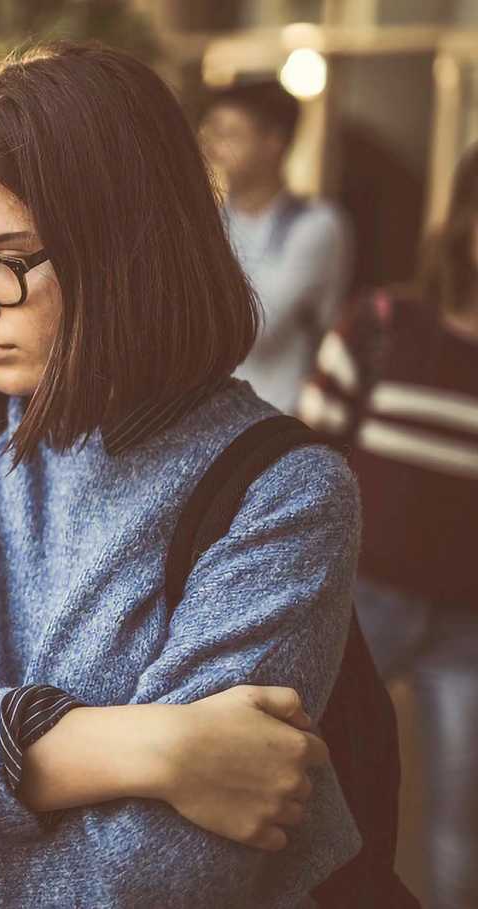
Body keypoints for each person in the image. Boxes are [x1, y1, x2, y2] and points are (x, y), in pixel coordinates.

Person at [0, 44, 364, 907]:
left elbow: (157, 875)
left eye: (3, 258)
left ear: (125, 244)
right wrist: (154, 749)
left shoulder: (281, 495)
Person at [299, 144, 478, 909]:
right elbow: (306, 460)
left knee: (458, 826)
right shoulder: (381, 323)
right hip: (359, 603)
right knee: (311, 795)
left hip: (468, 625)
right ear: (463, 222)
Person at [200, 79, 351, 413]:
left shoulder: (315, 225)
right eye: (211, 132)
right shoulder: (209, 222)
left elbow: (256, 326)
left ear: (273, 143)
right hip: (212, 412)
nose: (214, 147)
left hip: (281, 413)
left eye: (230, 134)